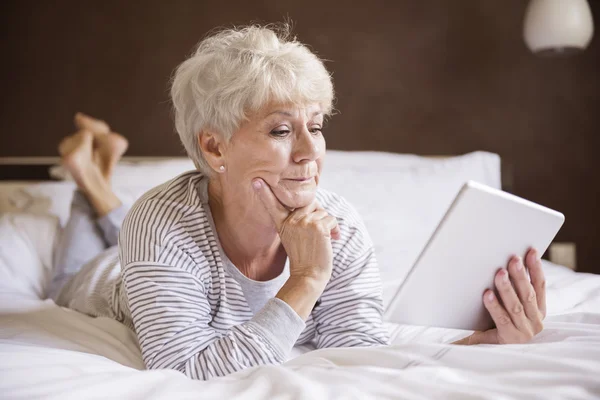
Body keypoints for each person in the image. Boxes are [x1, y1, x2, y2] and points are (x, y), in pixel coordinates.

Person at [49, 24, 547, 381]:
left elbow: (357, 352)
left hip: (156, 250)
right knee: (64, 276)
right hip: (103, 279)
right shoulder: (159, 220)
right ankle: (85, 180)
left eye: (317, 126)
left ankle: (99, 173)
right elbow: (186, 371)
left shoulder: (339, 223)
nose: (310, 152)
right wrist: (307, 280)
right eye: (282, 130)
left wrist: (476, 346)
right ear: (214, 147)